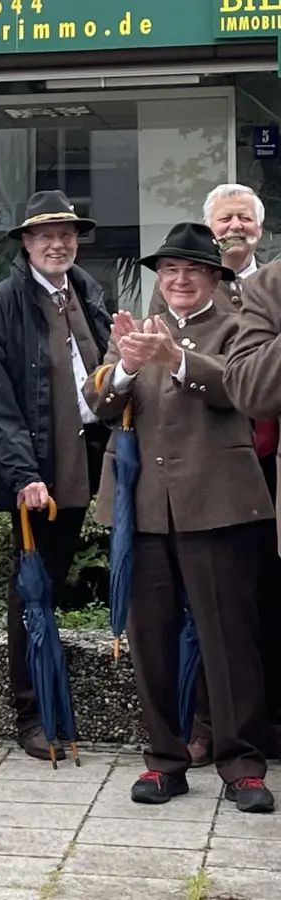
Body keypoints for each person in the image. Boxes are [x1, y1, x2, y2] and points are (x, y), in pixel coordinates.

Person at [85, 222, 274, 813]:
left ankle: (242, 766)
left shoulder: (240, 323)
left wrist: (180, 358)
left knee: (229, 640)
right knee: (152, 640)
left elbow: (246, 390)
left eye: (193, 269)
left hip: (217, 502)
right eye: (169, 270)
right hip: (144, 506)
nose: (180, 279)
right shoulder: (137, 327)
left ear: (216, 278)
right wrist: (124, 368)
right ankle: (163, 761)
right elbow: (98, 402)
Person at [0, 190, 111, 760]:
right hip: (40, 472)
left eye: (67, 234)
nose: (59, 244)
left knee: (64, 584)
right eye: (46, 235)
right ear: (26, 243)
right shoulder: (0, 303)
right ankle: (32, 714)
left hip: (97, 461)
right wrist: (22, 472)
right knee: (33, 590)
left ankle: (60, 707)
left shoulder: (89, 292)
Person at [200, 183, 279, 762]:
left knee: (271, 600)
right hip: (222, 468)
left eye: (245, 218)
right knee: (222, 602)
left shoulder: (268, 281)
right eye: (225, 217)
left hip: (271, 464)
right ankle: (208, 722)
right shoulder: (189, 284)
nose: (236, 226)